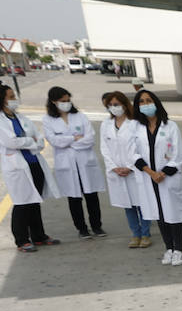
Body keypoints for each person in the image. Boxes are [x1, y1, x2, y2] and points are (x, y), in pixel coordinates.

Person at [0, 83, 60, 252]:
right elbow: (10, 142)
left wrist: (29, 142)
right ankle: (21, 240)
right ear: (2, 100)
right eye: (11, 97)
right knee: (22, 203)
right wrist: (30, 141)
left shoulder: (21, 118)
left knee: (35, 201)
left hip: (33, 163)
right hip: (17, 167)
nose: (14, 100)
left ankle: (38, 236)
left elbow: (39, 139)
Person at [132, 88, 182, 267]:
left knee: (173, 215)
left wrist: (162, 173)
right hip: (149, 178)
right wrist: (151, 172)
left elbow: (179, 154)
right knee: (159, 215)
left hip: (168, 177)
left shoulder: (170, 126)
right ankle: (168, 248)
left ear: (156, 102)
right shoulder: (137, 128)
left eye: (148, 100)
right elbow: (132, 154)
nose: (145, 104)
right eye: (141, 102)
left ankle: (178, 250)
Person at [42, 86, 106, 239]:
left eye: (68, 100)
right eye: (63, 101)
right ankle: (82, 228)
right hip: (67, 165)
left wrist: (69, 142)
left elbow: (90, 137)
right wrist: (73, 138)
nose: (67, 103)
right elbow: (54, 140)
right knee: (74, 198)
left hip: (85, 162)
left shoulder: (80, 117)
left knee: (92, 196)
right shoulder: (48, 120)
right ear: (53, 102)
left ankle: (97, 226)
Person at [100, 90, 151, 248]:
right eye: (110, 105)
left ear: (124, 104)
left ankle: (146, 234)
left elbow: (140, 146)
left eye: (116, 104)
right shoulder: (106, 124)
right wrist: (114, 167)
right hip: (117, 171)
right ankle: (135, 234)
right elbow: (104, 148)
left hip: (134, 169)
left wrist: (130, 167)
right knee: (128, 205)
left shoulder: (135, 123)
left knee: (141, 202)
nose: (113, 107)